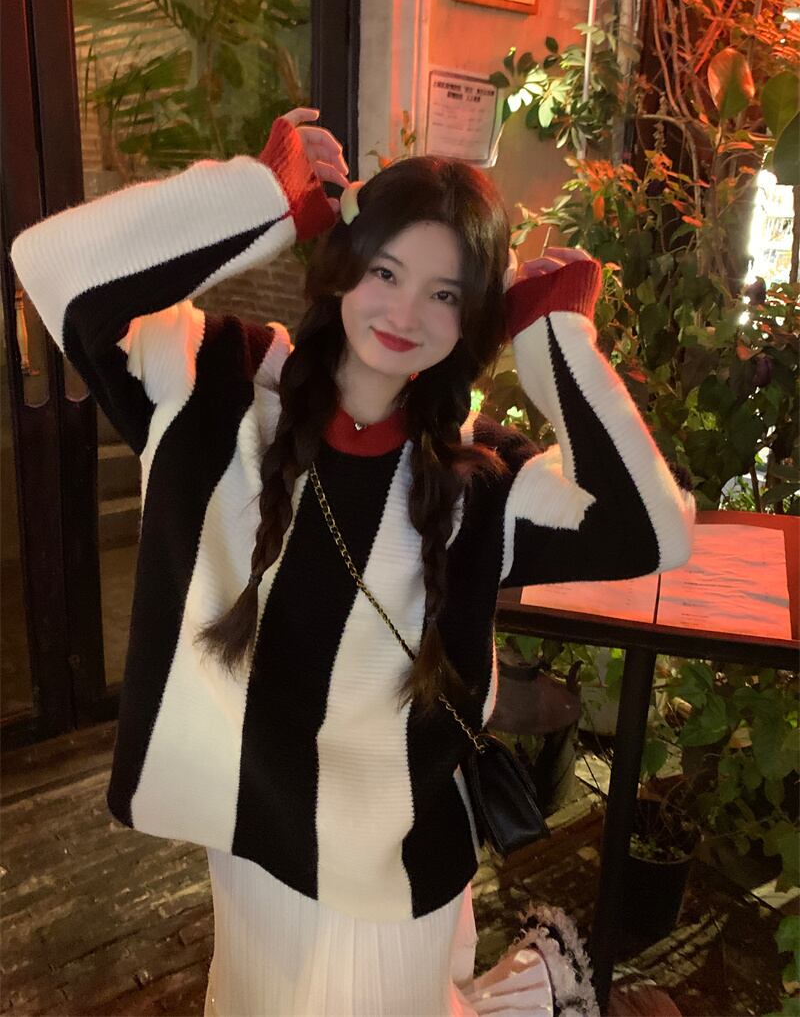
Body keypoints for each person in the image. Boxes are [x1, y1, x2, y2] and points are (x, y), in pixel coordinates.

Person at [10, 106, 695, 1016]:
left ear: (473, 317)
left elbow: (651, 531)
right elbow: (55, 270)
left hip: (401, 881)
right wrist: (264, 196)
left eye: (446, 294)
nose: (406, 313)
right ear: (345, 266)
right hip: (261, 856)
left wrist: (554, 338)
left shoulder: (477, 472)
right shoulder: (223, 387)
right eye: (385, 272)